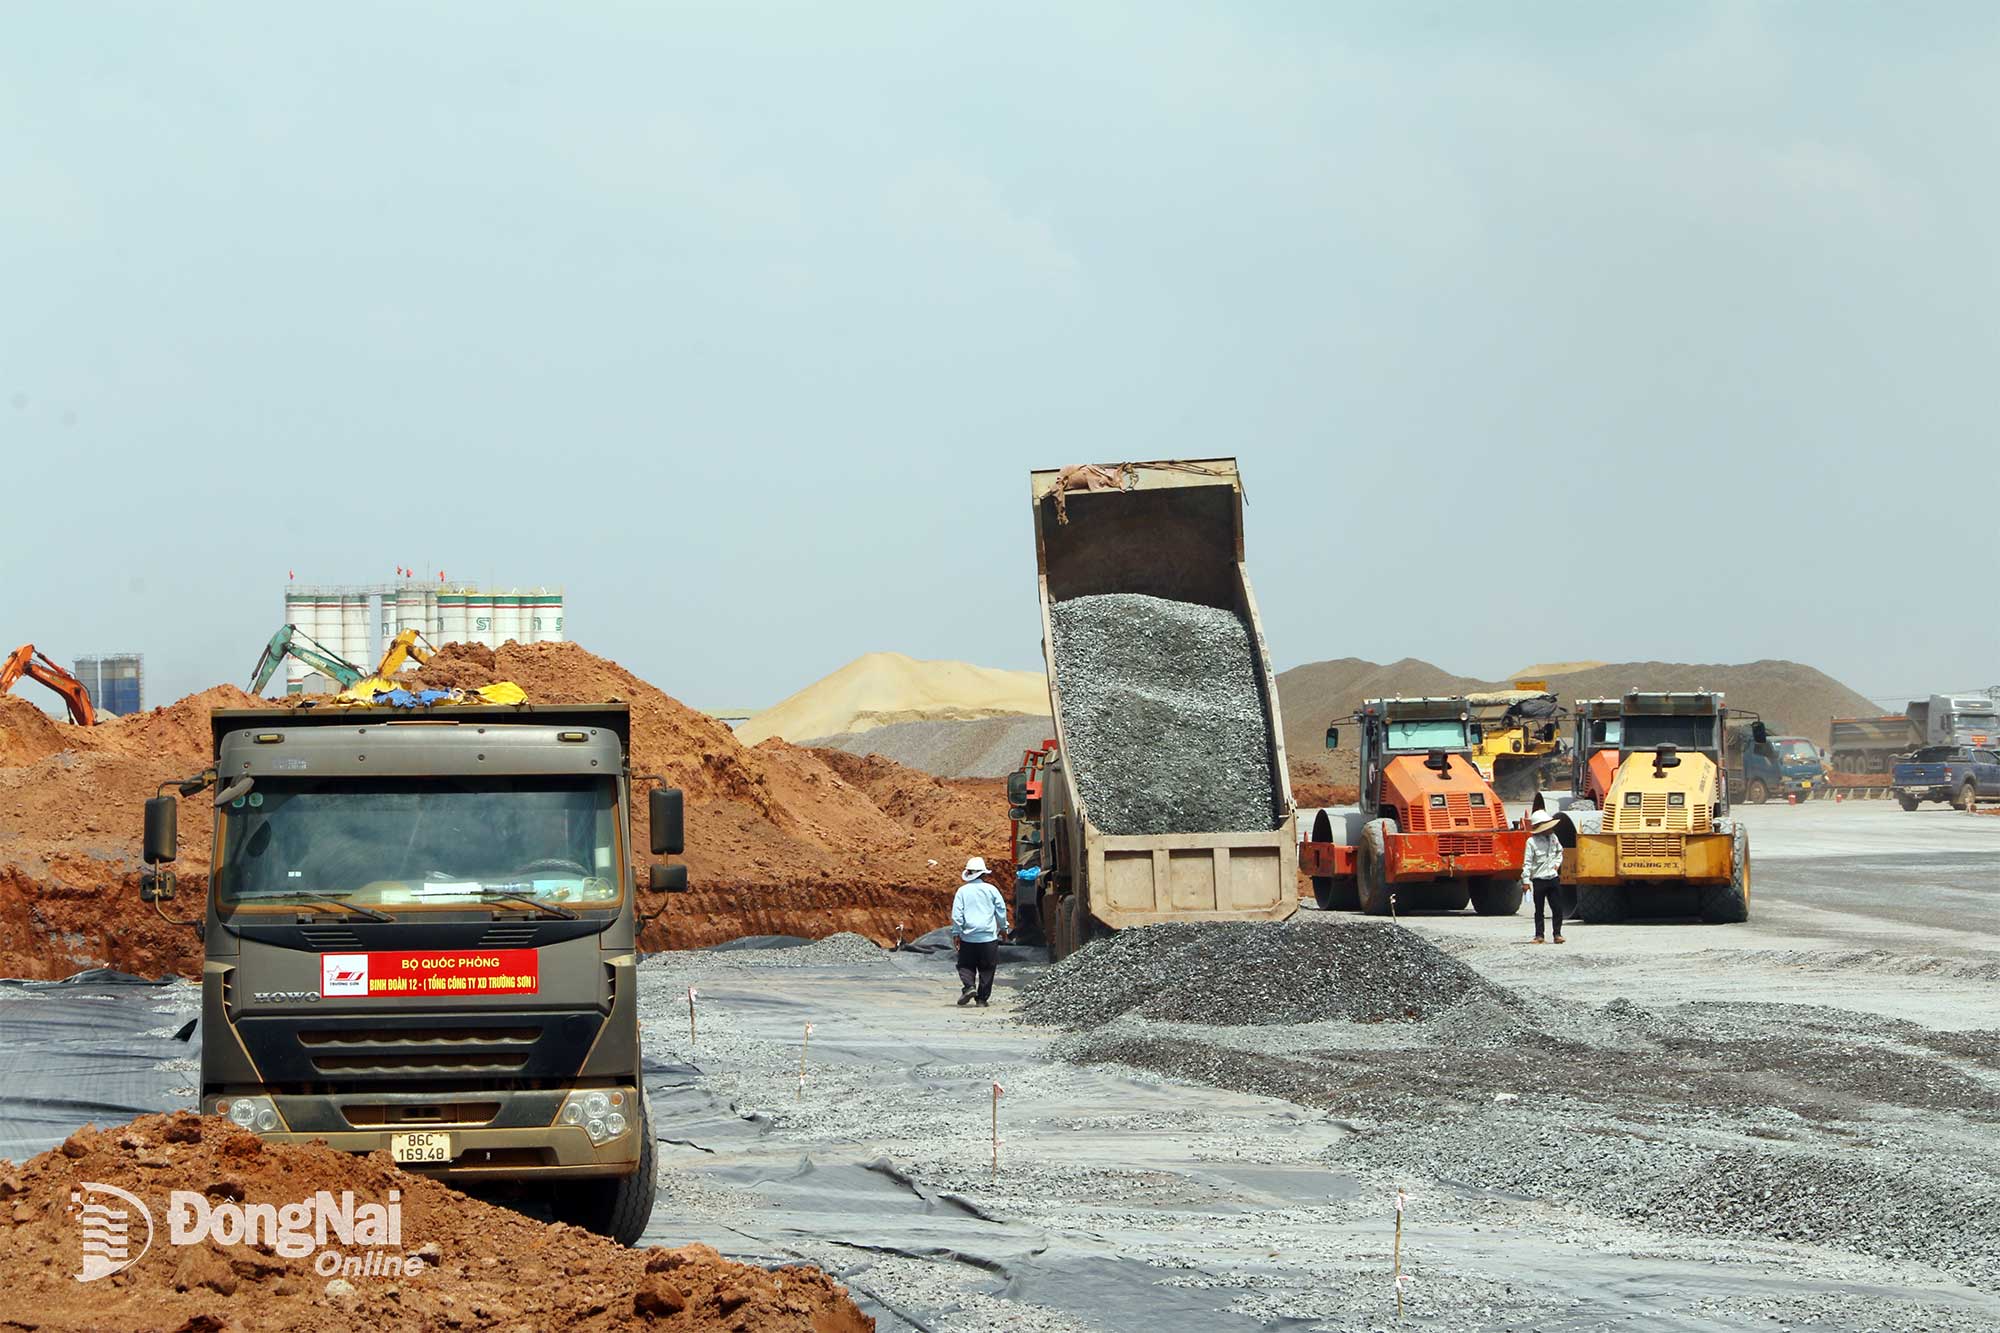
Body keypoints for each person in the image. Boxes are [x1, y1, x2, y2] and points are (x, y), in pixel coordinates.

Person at [949, 857, 1011, 1007]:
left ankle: (969, 986)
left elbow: (957, 915)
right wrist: (1003, 928)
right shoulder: (991, 890)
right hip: (988, 938)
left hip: (968, 938)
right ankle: (982, 999)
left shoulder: (962, 891)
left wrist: (956, 933)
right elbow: (1001, 910)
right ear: (983, 874)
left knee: (965, 965)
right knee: (987, 968)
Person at [1521, 808, 1566, 943]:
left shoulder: (1553, 838)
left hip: (1553, 878)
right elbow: (1527, 862)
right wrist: (1525, 881)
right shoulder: (1531, 842)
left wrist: (1557, 864)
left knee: (1557, 907)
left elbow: (1560, 852)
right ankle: (1539, 935)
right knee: (1539, 909)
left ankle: (1557, 934)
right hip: (1539, 880)